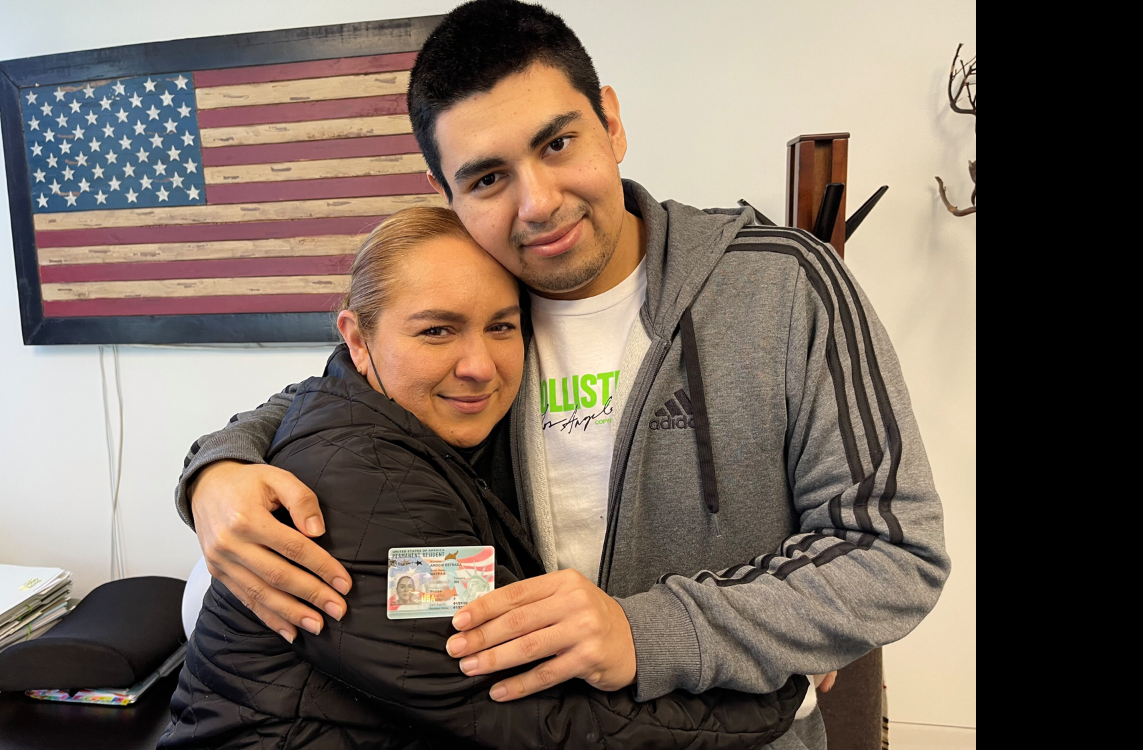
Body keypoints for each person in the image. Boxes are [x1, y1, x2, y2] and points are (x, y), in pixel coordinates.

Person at [177, 2, 949, 747]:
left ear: (610, 122)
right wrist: (216, 470)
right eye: (487, 179)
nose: (538, 204)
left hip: (742, 737)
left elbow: (892, 550)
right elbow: (339, 395)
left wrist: (653, 633)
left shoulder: (785, 287)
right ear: (447, 194)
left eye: (555, 144)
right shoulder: (478, 298)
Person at [160, 207, 807, 748]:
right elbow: (530, 710)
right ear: (357, 340)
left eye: (501, 326)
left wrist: (220, 458)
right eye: (437, 330)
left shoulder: (381, 419)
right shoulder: (366, 490)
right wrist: (782, 688)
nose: (478, 365)